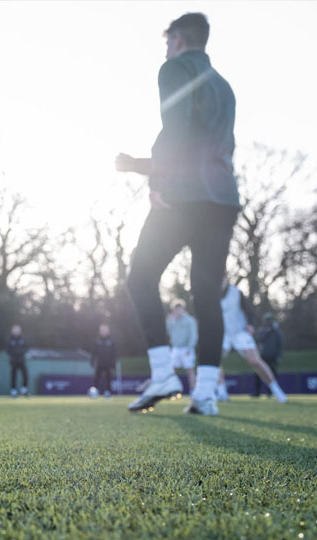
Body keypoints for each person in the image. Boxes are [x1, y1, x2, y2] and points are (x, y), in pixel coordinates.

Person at [116, 13, 239, 415]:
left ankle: (164, 373)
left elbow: (177, 129)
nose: (165, 48)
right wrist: (141, 165)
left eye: (168, 41)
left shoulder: (174, 68)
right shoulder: (224, 86)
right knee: (206, 294)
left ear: (180, 40)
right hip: (222, 198)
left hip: (184, 194)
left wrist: (156, 180)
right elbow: (218, 150)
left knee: (140, 278)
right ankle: (205, 394)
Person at [219, 278, 287, 403]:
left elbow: (250, 311)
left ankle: (276, 390)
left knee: (255, 361)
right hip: (223, 334)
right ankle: (222, 392)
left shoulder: (236, 293)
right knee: (214, 360)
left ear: (226, 278)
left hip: (240, 331)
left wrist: (251, 324)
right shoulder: (211, 294)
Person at [166, 301, 198, 392]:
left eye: (179, 309)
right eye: (175, 310)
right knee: (172, 370)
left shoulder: (190, 320)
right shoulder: (172, 320)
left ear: (183, 309)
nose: (177, 311)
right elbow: (168, 332)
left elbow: (193, 335)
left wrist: (190, 347)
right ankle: (171, 389)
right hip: (175, 348)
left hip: (187, 348)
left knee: (190, 370)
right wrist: (168, 321)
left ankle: (193, 390)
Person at [254, 313, 283, 398]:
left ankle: (270, 393)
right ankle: (257, 393)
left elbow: (280, 345)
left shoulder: (276, 332)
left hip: (272, 357)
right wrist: (267, 332)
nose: (267, 322)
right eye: (266, 321)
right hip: (262, 356)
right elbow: (258, 339)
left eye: (269, 320)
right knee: (258, 374)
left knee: (272, 375)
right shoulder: (262, 331)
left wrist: (278, 356)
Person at [89, 324, 117, 399]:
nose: (103, 332)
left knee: (108, 378)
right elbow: (94, 352)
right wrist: (92, 361)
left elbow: (114, 353)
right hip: (99, 363)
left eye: (105, 330)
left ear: (108, 331)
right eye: (102, 330)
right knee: (96, 378)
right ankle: (94, 392)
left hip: (108, 363)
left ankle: (108, 392)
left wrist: (113, 362)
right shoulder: (97, 340)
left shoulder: (111, 341)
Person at [6, 324, 29, 397]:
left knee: (25, 375)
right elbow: (8, 350)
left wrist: (20, 353)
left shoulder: (23, 339)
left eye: (18, 330)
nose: (16, 331)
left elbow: (26, 348)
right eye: (15, 330)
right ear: (12, 331)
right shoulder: (10, 339)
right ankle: (13, 391)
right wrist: (15, 354)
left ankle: (24, 390)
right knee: (13, 376)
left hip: (21, 360)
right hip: (13, 361)